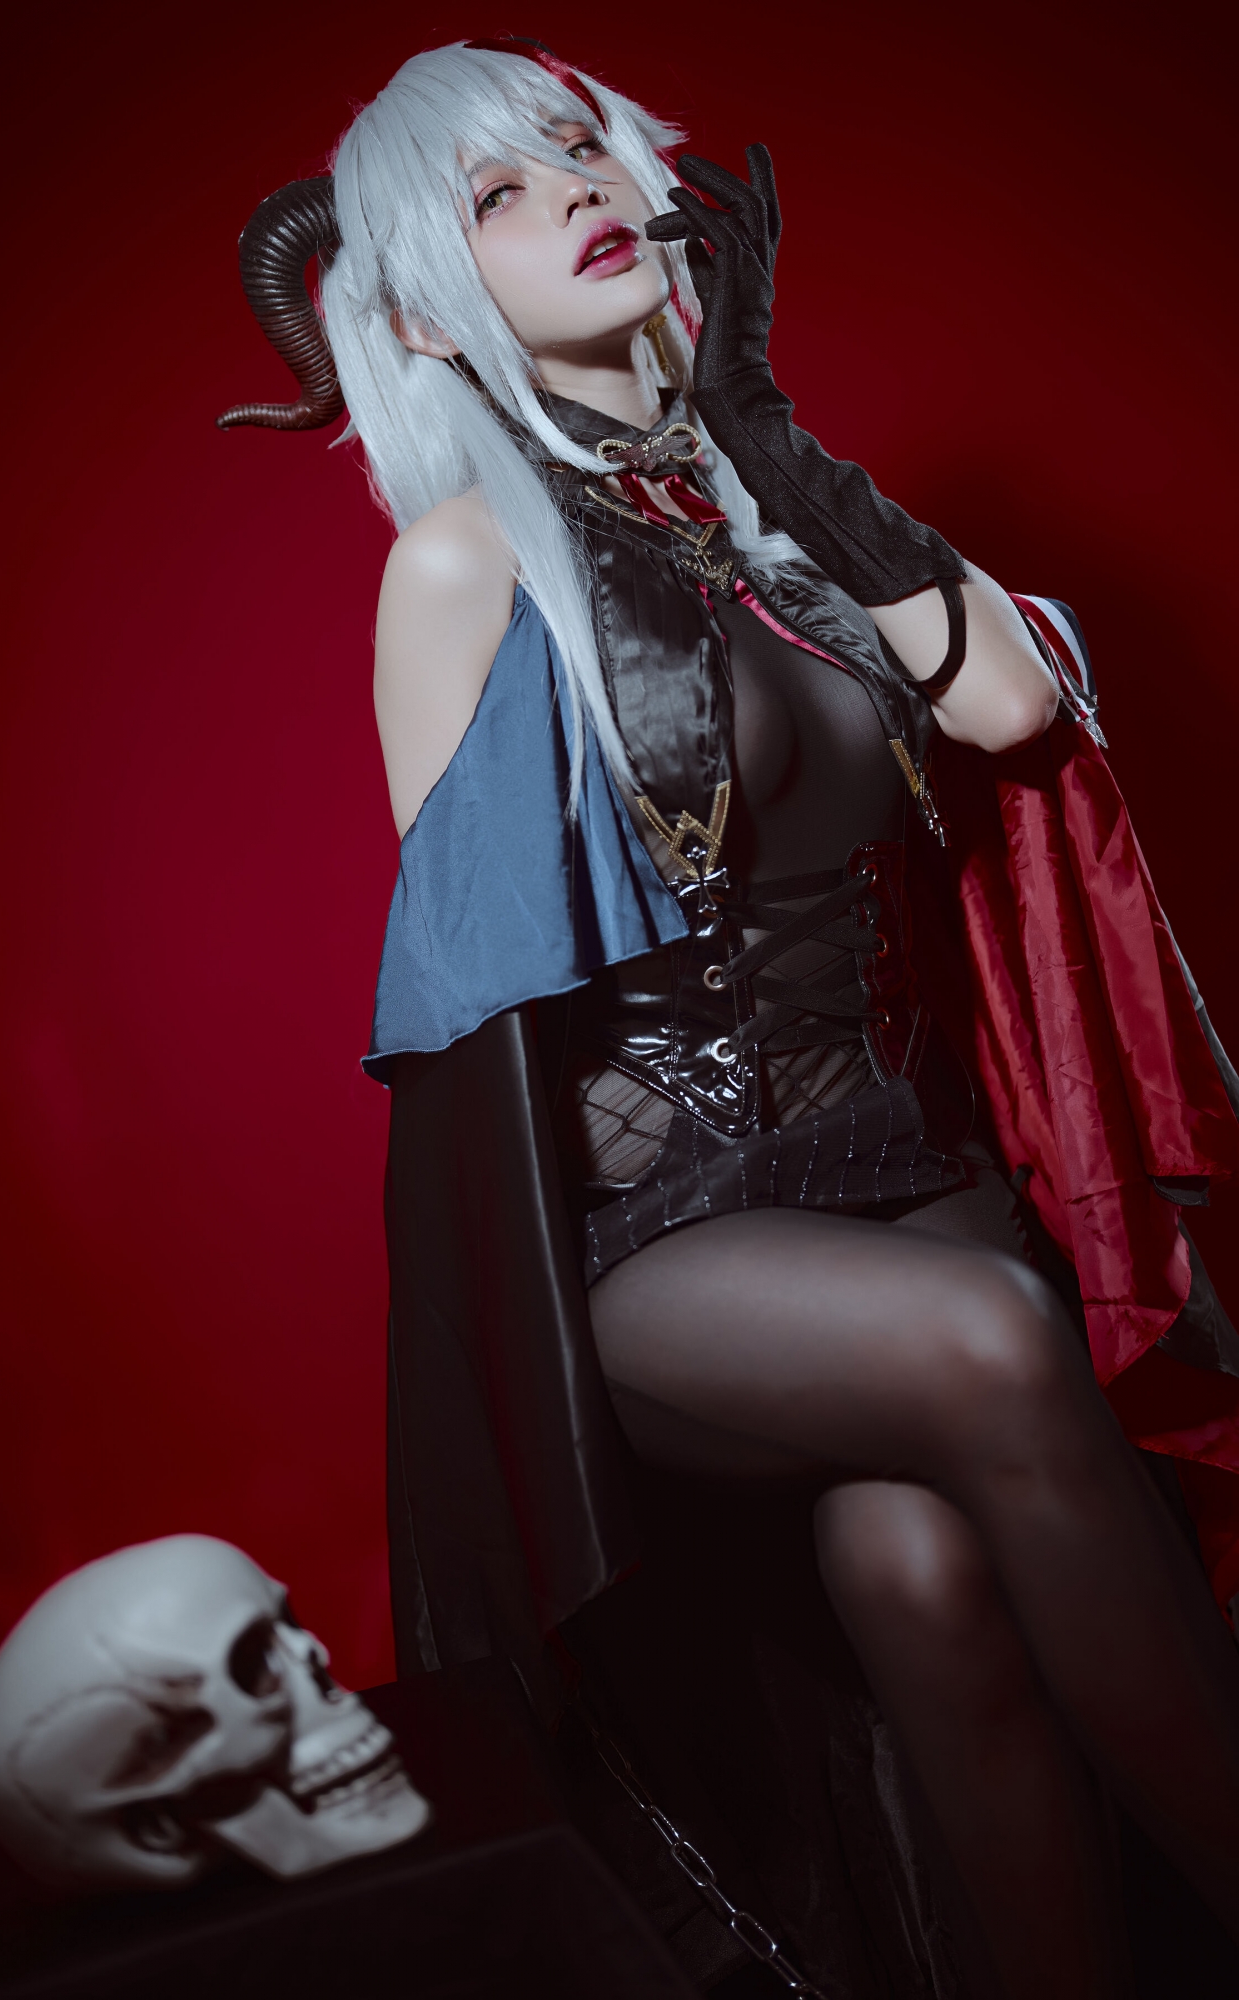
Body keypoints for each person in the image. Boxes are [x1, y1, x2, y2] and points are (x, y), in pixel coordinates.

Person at [218, 39, 1239, 1997]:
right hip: (665, 1238)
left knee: (921, 1576)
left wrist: (757, 427)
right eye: (497, 194)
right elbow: (478, 1028)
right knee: (992, 1335)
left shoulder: (774, 517)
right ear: (421, 312)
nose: (573, 188)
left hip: (904, 1172)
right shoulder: (463, 563)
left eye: (578, 145)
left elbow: (1010, 708)